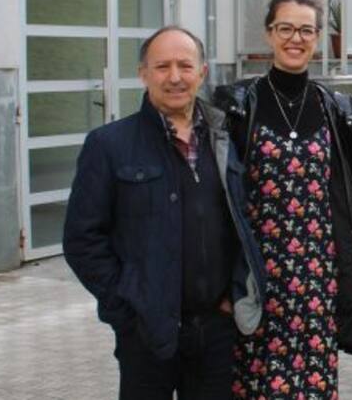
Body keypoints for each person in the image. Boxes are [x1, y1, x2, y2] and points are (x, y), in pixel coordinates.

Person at [213, 0, 352, 400]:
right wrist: (223, 281)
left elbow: (349, 195)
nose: (296, 39)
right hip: (258, 273)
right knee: (255, 384)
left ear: (318, 38)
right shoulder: (237, 105)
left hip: (316, 275)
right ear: (268, 33)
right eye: (286, 28)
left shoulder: (336, 110)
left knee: (313, 386)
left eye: (306, 30)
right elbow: (220, 198)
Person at [64, 26, 264, 399]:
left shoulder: (226, 138)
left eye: (185, 66)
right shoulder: (108, 145)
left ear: (202, 72)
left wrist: (234, 296)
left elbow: (244, 221)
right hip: (146, 332)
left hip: (217, 329)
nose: (175, 77)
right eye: (162, 67)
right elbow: (81, 240)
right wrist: (126, 307)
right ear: (143, 74)